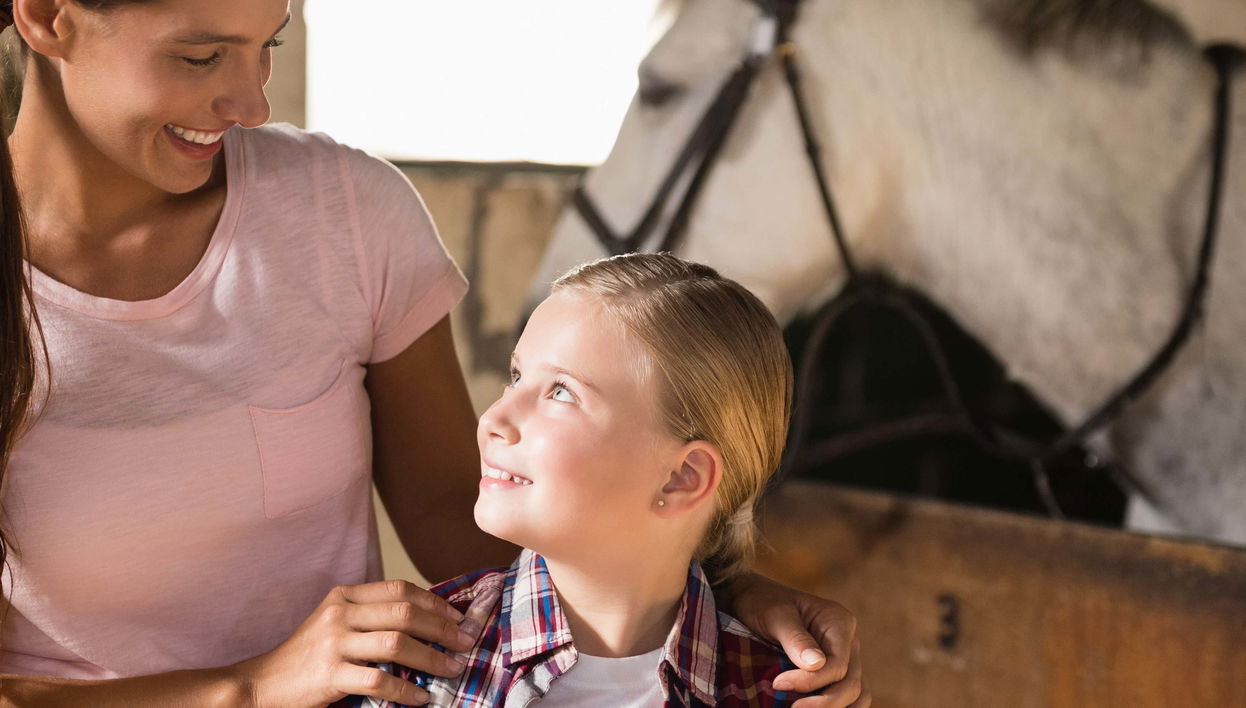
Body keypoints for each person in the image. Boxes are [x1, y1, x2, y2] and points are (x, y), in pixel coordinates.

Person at [0, 1, 866, 706]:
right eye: (200, 57)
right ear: (45, 17)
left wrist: (712, 600)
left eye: (269, 45)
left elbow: (470, 519)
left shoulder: (344, 210)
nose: (252, 102)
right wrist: (252, 687)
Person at [343, 252, 817, 708]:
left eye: (561, 392)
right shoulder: (408, 667)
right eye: (516, 376)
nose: (494, 418)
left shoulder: (780, 690)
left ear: (681, 478)